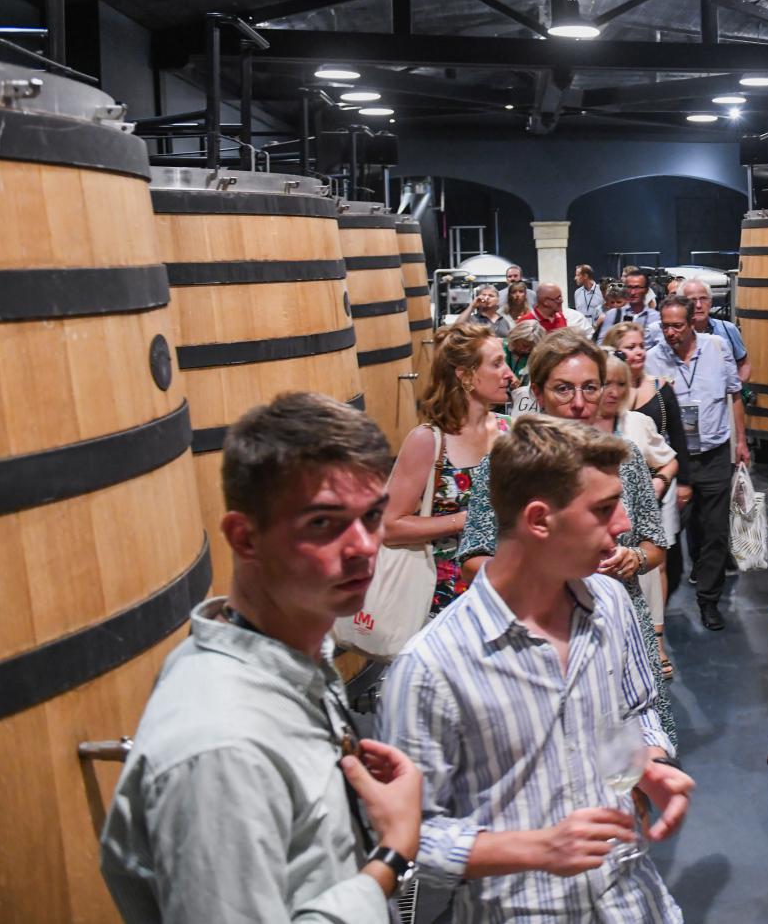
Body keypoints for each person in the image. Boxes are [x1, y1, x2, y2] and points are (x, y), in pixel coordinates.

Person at [100, 392, 423, 922]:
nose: (365, 546)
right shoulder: (221, 748)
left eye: (372, 516)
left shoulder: (290, 651)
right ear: (244, 538)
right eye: (323, 523)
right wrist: (390, 856)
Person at [380, 413, 692, 924]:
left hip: (631, 901)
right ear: (540, 520)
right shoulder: (432, 666)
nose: (623, 525)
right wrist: (536, 849)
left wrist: (646, 765)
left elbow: (637, 709)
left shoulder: (611, 602)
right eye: (604, 509)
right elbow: (408, 836)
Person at [526, 332, 678, 744]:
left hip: (619, 622)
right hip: (542, 632)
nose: (579, 402)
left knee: (638, 749)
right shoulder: (513, 462)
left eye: (590, 388)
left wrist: (635, 559)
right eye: (563, 389)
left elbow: (655, 545)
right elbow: (478, 557)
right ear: (538, 393)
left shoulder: (622, 455)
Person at [384, 323, 514, 610]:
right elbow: (389, 526)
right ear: (465, 375)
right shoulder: (429, 440)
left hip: (503, 590)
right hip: (445, 599)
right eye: (497, 364)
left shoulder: (510, 430)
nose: (509, 374)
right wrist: (470, 519)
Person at [645, 294, 747, 631]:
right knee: (672, 533)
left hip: (715, 454)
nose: (670, 333)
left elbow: (734, 395)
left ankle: (709, 601)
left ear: (693, 324)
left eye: (677, 326)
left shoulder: (717, 348)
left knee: (715, 533)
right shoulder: (652, 360)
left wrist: (741, 441)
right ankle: (665, 596)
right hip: (674, 460)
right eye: (665, 326)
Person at [597, 350, 683, 696]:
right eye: (604, 384)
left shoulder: (635, 428)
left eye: (621, 384)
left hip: (638, 533)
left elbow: (670, 459)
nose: (613, 392)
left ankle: (655, 642)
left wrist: (658, 483)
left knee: (650, 580)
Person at [605, 319, 693, 628]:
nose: (639, 352)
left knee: (657, 566)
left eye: (642, 346)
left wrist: (664, 482)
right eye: (630, 347)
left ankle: (655, 631)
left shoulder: (642, 413)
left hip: (655, 497)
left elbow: (674, 446)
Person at [680, 277, 751, 383]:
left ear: (711, 302)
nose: (698, 305)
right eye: (692, 300)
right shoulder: (676, 334)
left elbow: (743, 364)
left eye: (703, 299)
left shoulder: (728, 329)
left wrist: (735, 387)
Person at [599, 269, 661, 343]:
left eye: (637, 287)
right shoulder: (612, 314)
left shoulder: (656, 317)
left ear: (646, 290)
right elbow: (602, 343)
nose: (633, 292)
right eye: (629, 287)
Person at [521, 281, 593, 337]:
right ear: (546, 302)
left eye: (561, 297)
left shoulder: (560, 316)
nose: (562, 301)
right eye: (558, 298)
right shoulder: (525, 322)